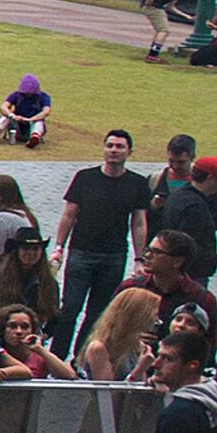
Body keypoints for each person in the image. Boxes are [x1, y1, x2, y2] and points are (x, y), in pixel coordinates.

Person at [51, 129, 153, 362]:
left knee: (97, 313)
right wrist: (59, 247)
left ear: (129, 151)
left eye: (119, 147)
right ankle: (55, 358)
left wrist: (139, 259)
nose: (114, 151)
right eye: (110, 146)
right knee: (70, 309)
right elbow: (69, 215)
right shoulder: (85, 177)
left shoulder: (137, 183)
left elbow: (138, 222)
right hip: (81, 252)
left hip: (114, 256)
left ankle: (80, 359)